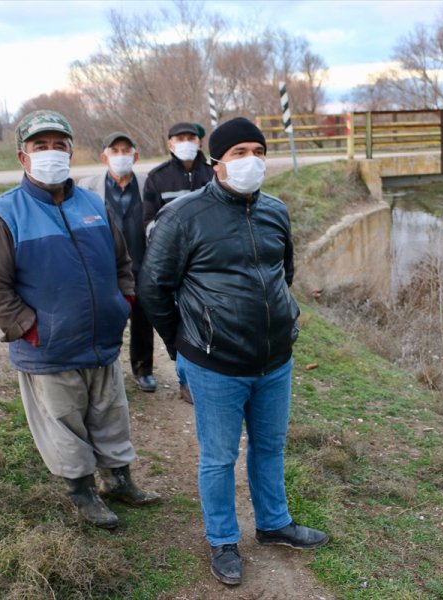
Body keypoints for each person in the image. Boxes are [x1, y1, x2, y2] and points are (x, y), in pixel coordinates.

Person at [138, 117, 328, 586]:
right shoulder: (183, 216)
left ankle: (273, 523)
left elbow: (283, 272)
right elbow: (154, 289)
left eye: (258, 152)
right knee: (219, 457)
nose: (251, 161)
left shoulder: (276, 211)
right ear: (216, 161)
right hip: (215, 364)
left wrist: (281, 319)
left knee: (270, 446)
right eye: (240, 152)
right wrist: (181, 346)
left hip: (274, 359)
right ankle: (222, 539)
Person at [0, 110, 160, 530]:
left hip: (101, 341)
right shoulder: (2, 216)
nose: (52, 153)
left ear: (72, 152)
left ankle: (119, 481)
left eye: (60, 145)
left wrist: (122, 303)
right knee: (65, 426)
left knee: (111, 415)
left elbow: (122, 262)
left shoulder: (92, 203)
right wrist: (33, 329)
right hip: (49, 351)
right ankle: (82, 491)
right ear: (24, 157)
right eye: (41, 146)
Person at [142, 121, 214, 404]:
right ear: (170, 143)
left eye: (191, 137)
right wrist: (168, 246)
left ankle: (210, 375)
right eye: (180, 138)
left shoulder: (212, 172)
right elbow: (147, 220)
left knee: (205, 319)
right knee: (180, 322)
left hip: (207, 263)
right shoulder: (157, 178)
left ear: (199, 142)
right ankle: (186, 379)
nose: (186, 142)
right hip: (174, 265)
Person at [78, 132, 156, 393]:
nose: (121, 156)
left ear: (136, 155)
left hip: (143, 263)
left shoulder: (149, 184)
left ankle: (143, 369)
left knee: (143, 320)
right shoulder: (86, 187)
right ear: (104, 157)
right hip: (106, 268)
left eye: (127, 150)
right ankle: (103, 372)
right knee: (105, 319)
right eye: (115, 151)